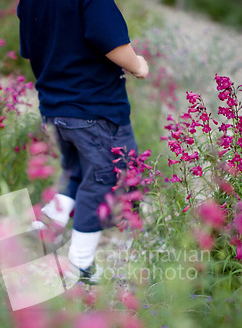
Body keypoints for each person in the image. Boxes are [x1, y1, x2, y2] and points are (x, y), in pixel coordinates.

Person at [17, 0, 149, 283]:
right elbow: (115, 46)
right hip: (96, 111)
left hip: (54, 108)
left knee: (76, 170)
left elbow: (30, 53)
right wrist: (139, 65)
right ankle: (81, 264)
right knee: (104, 179)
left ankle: (43, 231)